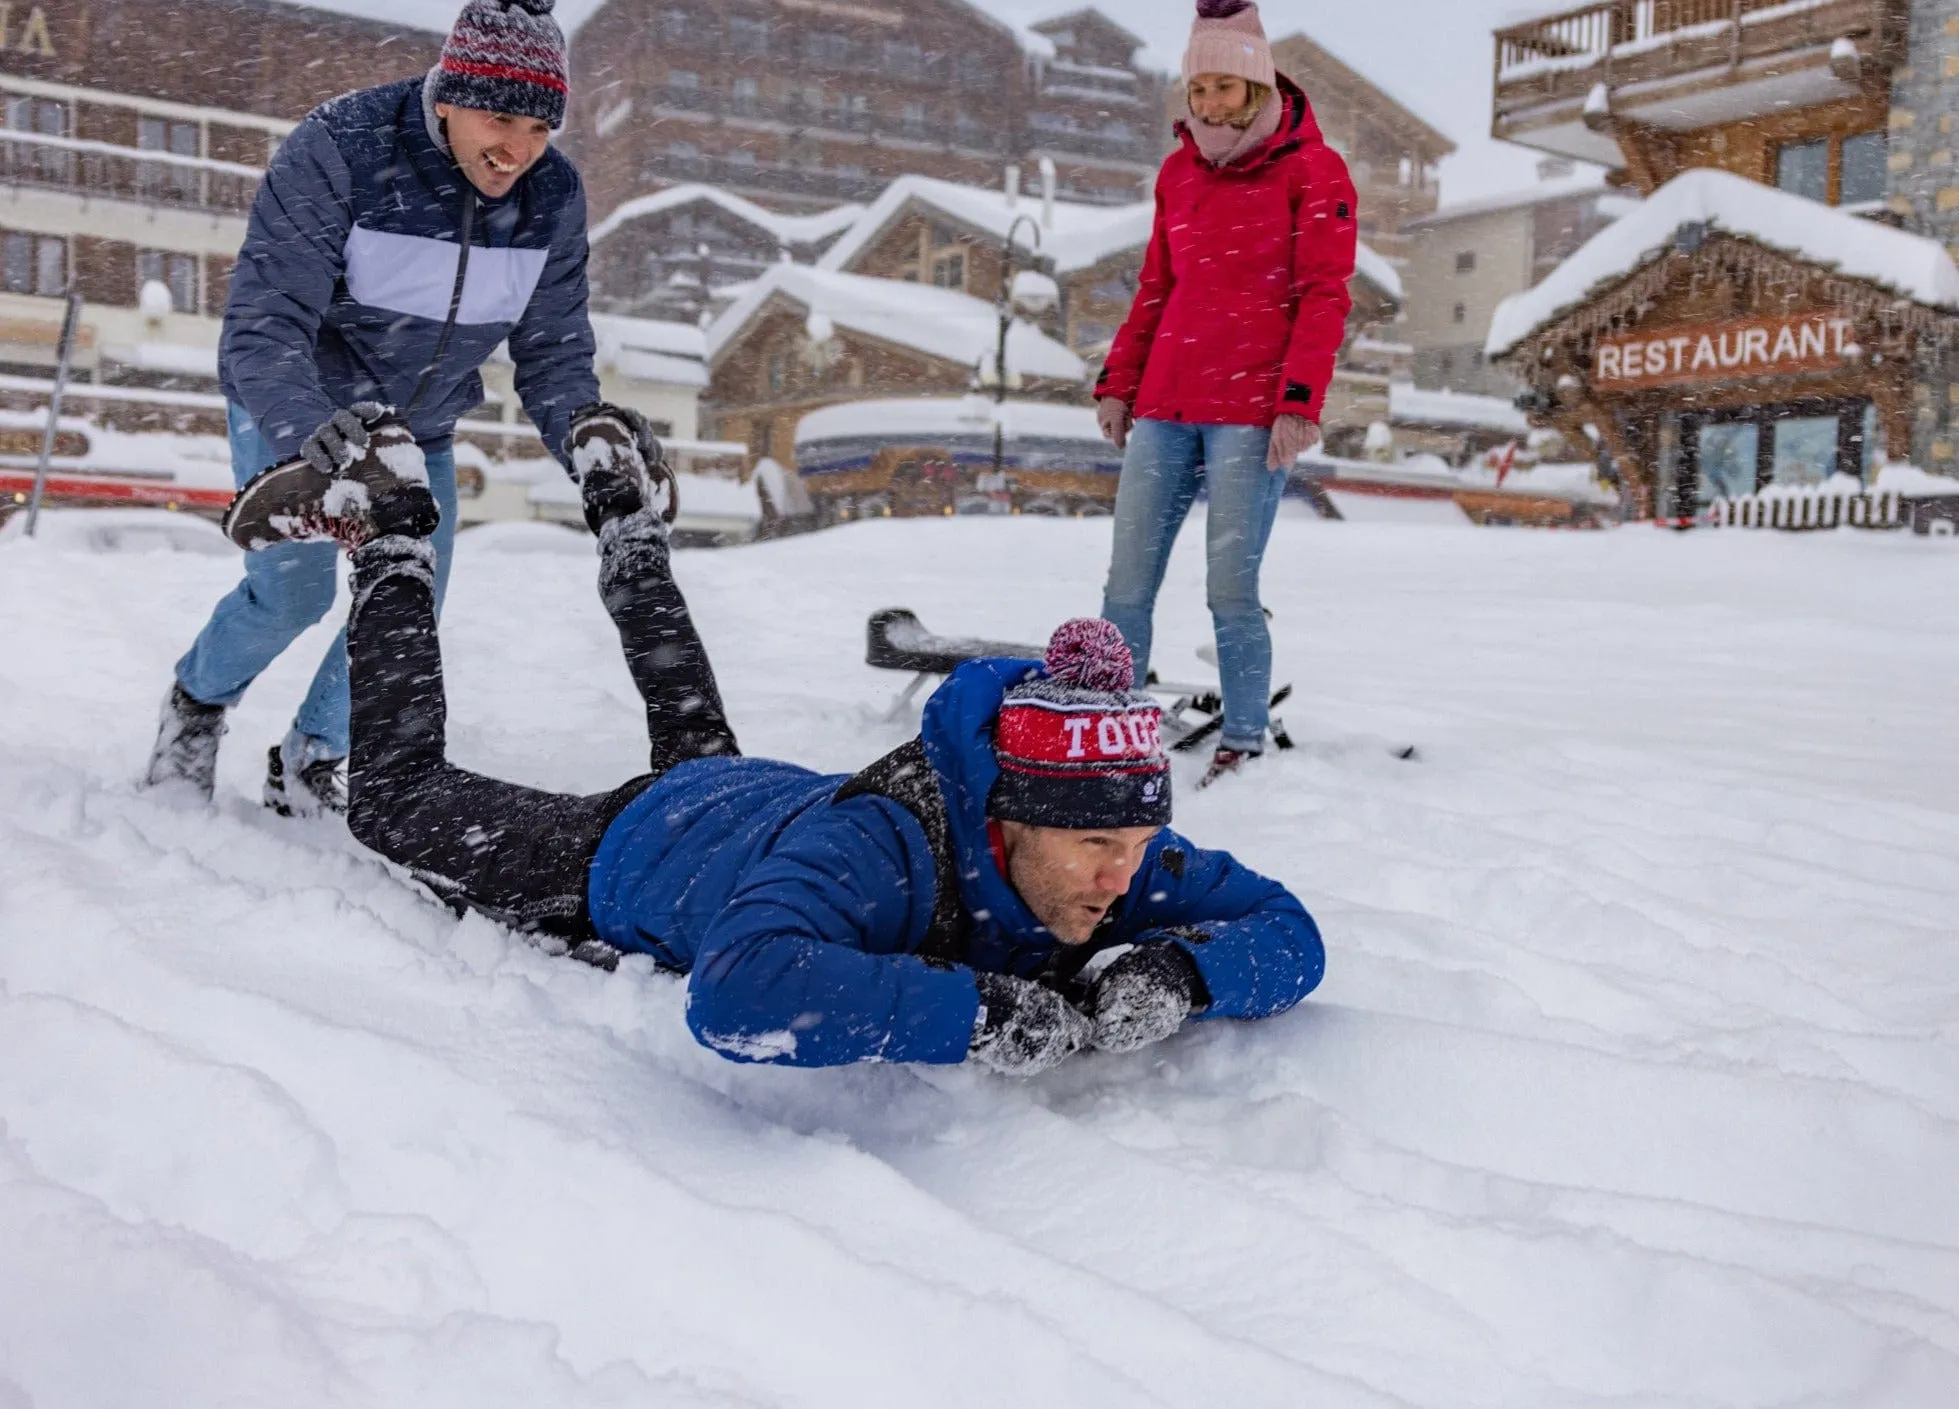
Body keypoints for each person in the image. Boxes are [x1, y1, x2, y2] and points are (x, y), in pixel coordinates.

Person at [217, 415, 1327, 1074]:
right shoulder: (882, 853)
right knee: (397, 801)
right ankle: (394, 535)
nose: (1121, 875)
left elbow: (1292, 932)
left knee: (691, 729)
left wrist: (1183, 972)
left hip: (751, 805)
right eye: (1095, 849)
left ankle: (630, 521)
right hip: (633, 853)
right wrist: (975, 1014)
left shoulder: (1111, 847)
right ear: (1006, 816)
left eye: (1140, 842)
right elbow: (738, 994)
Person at [144, 0, 630, 816]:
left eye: (540, 127)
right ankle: (197, 703)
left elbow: (552, 351)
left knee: (412, 594)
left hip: (421, 426)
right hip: (303, 404)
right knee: (294, 588)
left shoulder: (551, 198)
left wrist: (586, 432)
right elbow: (264, 322)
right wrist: (307, 428)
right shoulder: (344, 148)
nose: (516, 149)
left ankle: (314, 754)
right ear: (449, 92)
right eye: (498, 117)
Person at [1095, 0, 1358, 787]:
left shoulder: (1312, 171)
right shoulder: (1177, 174)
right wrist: (1119, 381)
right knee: (1125, 582)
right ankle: (1111, 726)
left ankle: (1242, 735)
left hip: (1250, 414)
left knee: (1230, 588)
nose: (1209, 101)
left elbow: (1324, 293)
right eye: (1197, 86)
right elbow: (1154, 288)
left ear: (1259, 85)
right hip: (1166, 406)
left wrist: (1297, 402)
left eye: (1224, 85)